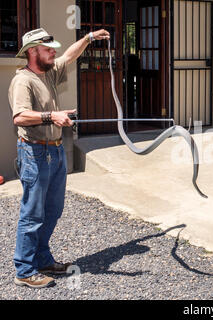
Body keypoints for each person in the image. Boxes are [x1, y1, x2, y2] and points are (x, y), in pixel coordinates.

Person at [9, 28, 110, 288]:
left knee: (53, 210)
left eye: (52, 48)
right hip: (34, 152)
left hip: (54, 150)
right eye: (47, 48)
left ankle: (42, 259)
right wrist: (51, 116)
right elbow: (19, 116)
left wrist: (88, 39)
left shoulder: (50, 71)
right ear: (32, 51)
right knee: (32, 214)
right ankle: (24, 270)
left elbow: (69, 56)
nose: (53, 52)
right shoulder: (24, 80)